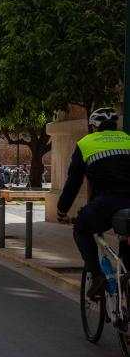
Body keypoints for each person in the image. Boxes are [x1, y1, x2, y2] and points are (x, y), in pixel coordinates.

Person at [57, 108, 130, 298]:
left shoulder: (86, 143)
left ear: (93, 127)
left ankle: (97, 276)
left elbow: (74, 181)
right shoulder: (128, 139)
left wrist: (62, 210)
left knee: (81, 229)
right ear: (115, 126)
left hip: (106, 205)